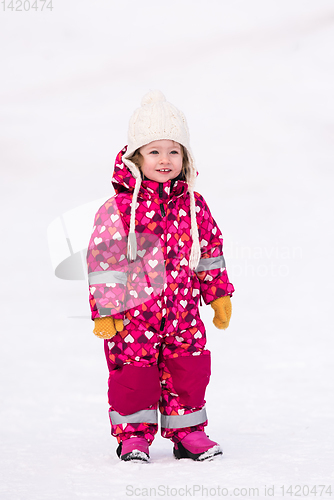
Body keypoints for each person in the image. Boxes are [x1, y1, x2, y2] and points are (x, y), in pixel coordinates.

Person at [86, 90, 235, 462]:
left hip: (183, 312)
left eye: (174, 151)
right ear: (136, 157)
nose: (165, 159)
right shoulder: (120, 209)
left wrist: (217, 295)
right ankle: (133, 436)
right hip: (134, 315)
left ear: (185, 156)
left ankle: (188, 433)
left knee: (188, 369)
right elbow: (105, 261)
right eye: (154, 151)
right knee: (134, 374)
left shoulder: (193, 205)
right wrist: (106, 310)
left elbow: (210, 252)